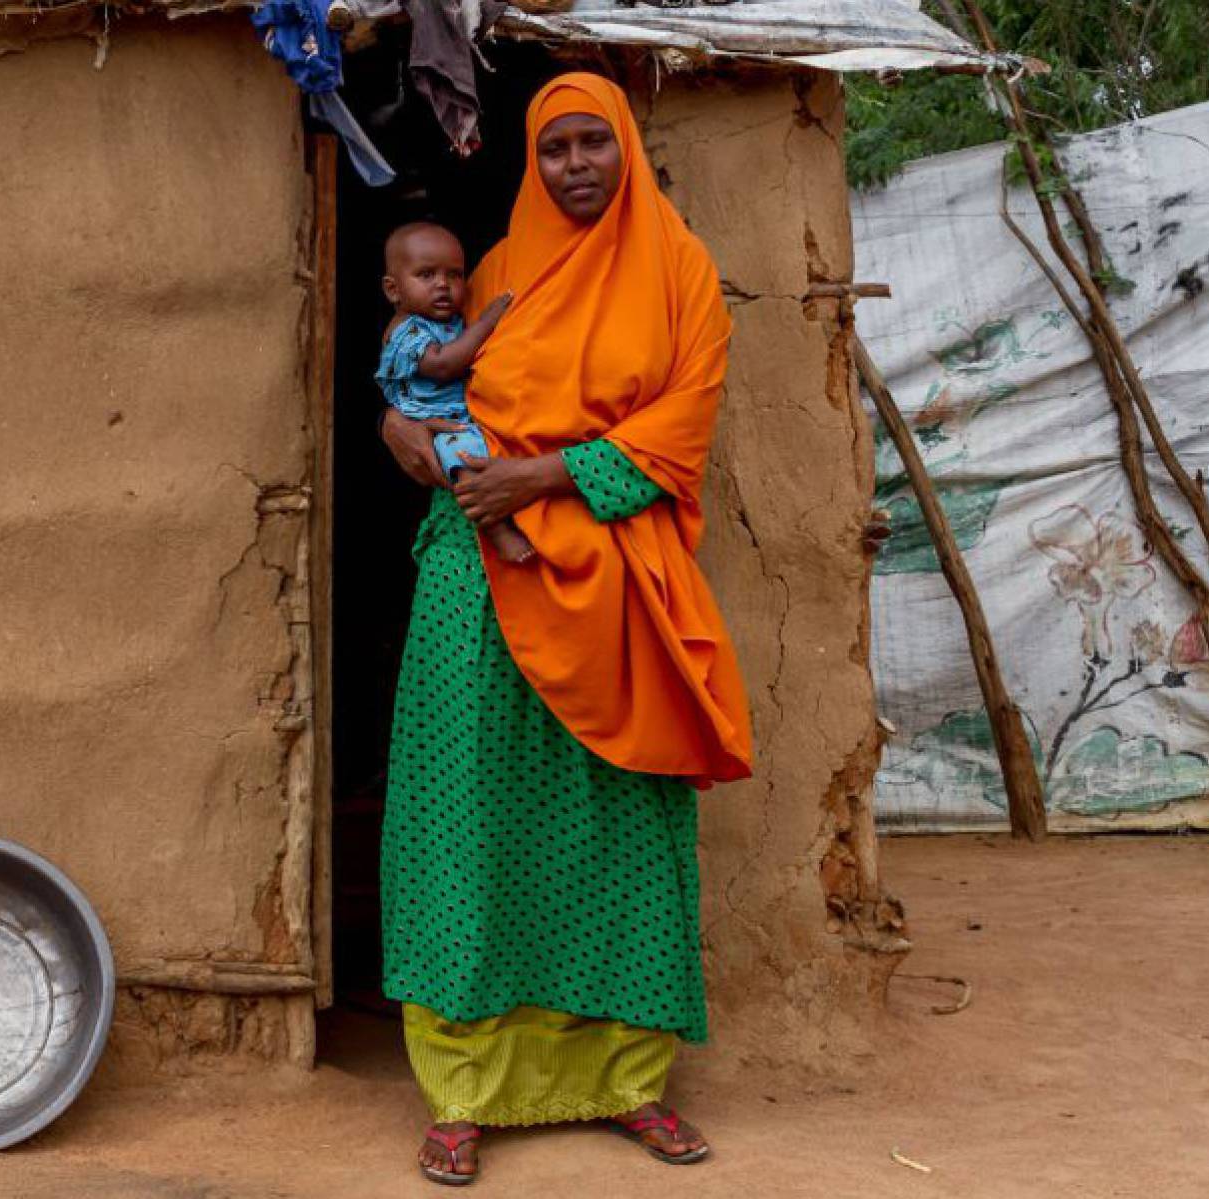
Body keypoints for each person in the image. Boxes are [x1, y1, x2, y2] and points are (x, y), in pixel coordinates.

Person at [375, 72, 754, 1187]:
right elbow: (424, 383)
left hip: (617, 583)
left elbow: (680, 427)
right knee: (465, 823)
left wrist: (542, 475)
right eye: (555, 148)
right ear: (532, 161)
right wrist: (397, 423)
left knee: (621, 826)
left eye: (594, 142)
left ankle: (628, 1081)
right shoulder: (495, 274)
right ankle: (461, 1092)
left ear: (626, 147)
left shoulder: (679, 273)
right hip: (479, 580)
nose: (575, 165)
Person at [375, 221, 533, 564]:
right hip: (433, 419)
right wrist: (487, 322)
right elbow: (444, 364)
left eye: (455, 275)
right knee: (463, 459)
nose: (443, 285)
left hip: (459, 412)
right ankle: (497, 531)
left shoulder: (443, 320)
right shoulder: (406, 331)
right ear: (393, 290)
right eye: (426, 275)